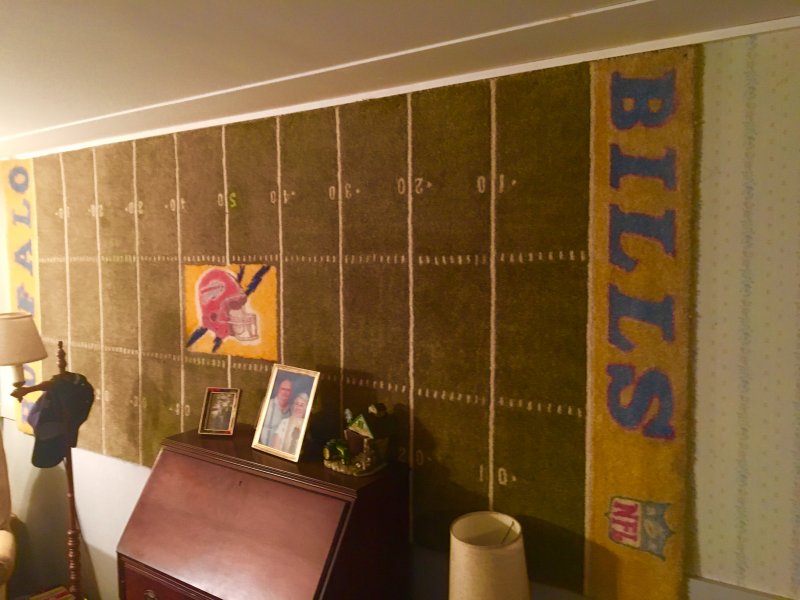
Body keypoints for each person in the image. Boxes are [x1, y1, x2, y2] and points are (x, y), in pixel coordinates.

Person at [259, 378, 293, 445]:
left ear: (291, 393)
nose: (285, 392)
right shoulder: (267, 404)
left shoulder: (292, 410)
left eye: (288, 390)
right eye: (283, 389)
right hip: (263, 447)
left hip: (280, 449)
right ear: (278, 390)